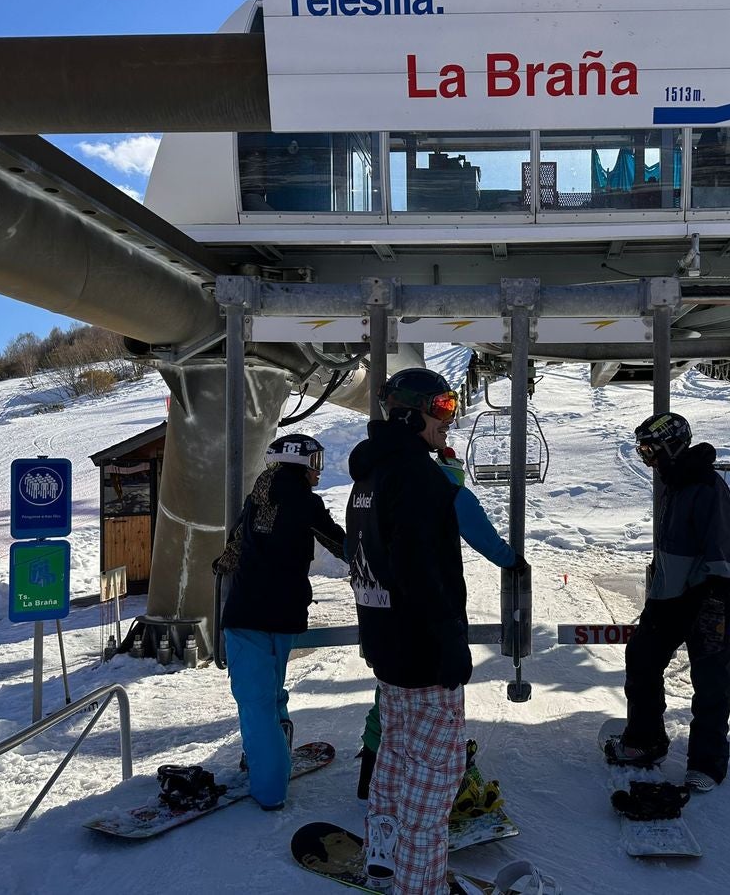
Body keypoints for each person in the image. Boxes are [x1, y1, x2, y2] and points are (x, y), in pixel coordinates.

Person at [346, 368, 473, 894]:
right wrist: (449, 648)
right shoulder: (416, 478)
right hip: (421, 655)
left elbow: (370, 559)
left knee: (396, 760)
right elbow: (422, 572)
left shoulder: (369, 476)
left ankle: (390, 861)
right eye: (441, 407)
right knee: (435, 781)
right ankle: (420, 884)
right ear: (408, 413)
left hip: (388, 646)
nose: (449, 418)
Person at [356, 445, 528, 801]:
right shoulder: (446, 489)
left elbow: (355, 543)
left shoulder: (379, 485)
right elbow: (484, 538)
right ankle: (430, 795)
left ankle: (372, 775)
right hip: (425, 619)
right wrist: (513, 562)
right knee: (431, 709)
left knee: (389, 696)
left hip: (382, 612)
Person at [605, 412, 730, 793]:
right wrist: (660, 595)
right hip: (669, 599)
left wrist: (715, 594)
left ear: (672, 444)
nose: (648, 459)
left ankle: (707, 763)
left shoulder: (705, 485)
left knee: (710, 679)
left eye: (651, 450)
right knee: (642, 657)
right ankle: (645, 740)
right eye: (642, 452)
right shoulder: (677, 484)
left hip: (707, 597)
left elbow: (720, 545)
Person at [218, 433, 347, 811]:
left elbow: (234, 546)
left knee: (255, 702)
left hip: (246, 614)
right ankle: (267, 759)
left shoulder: (255, 500)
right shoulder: (307, 502)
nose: (317, 471)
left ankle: (270, 787)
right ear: (304, 465)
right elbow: (340, 544)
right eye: (315, 464)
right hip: (286, 614)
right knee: (272, 693)